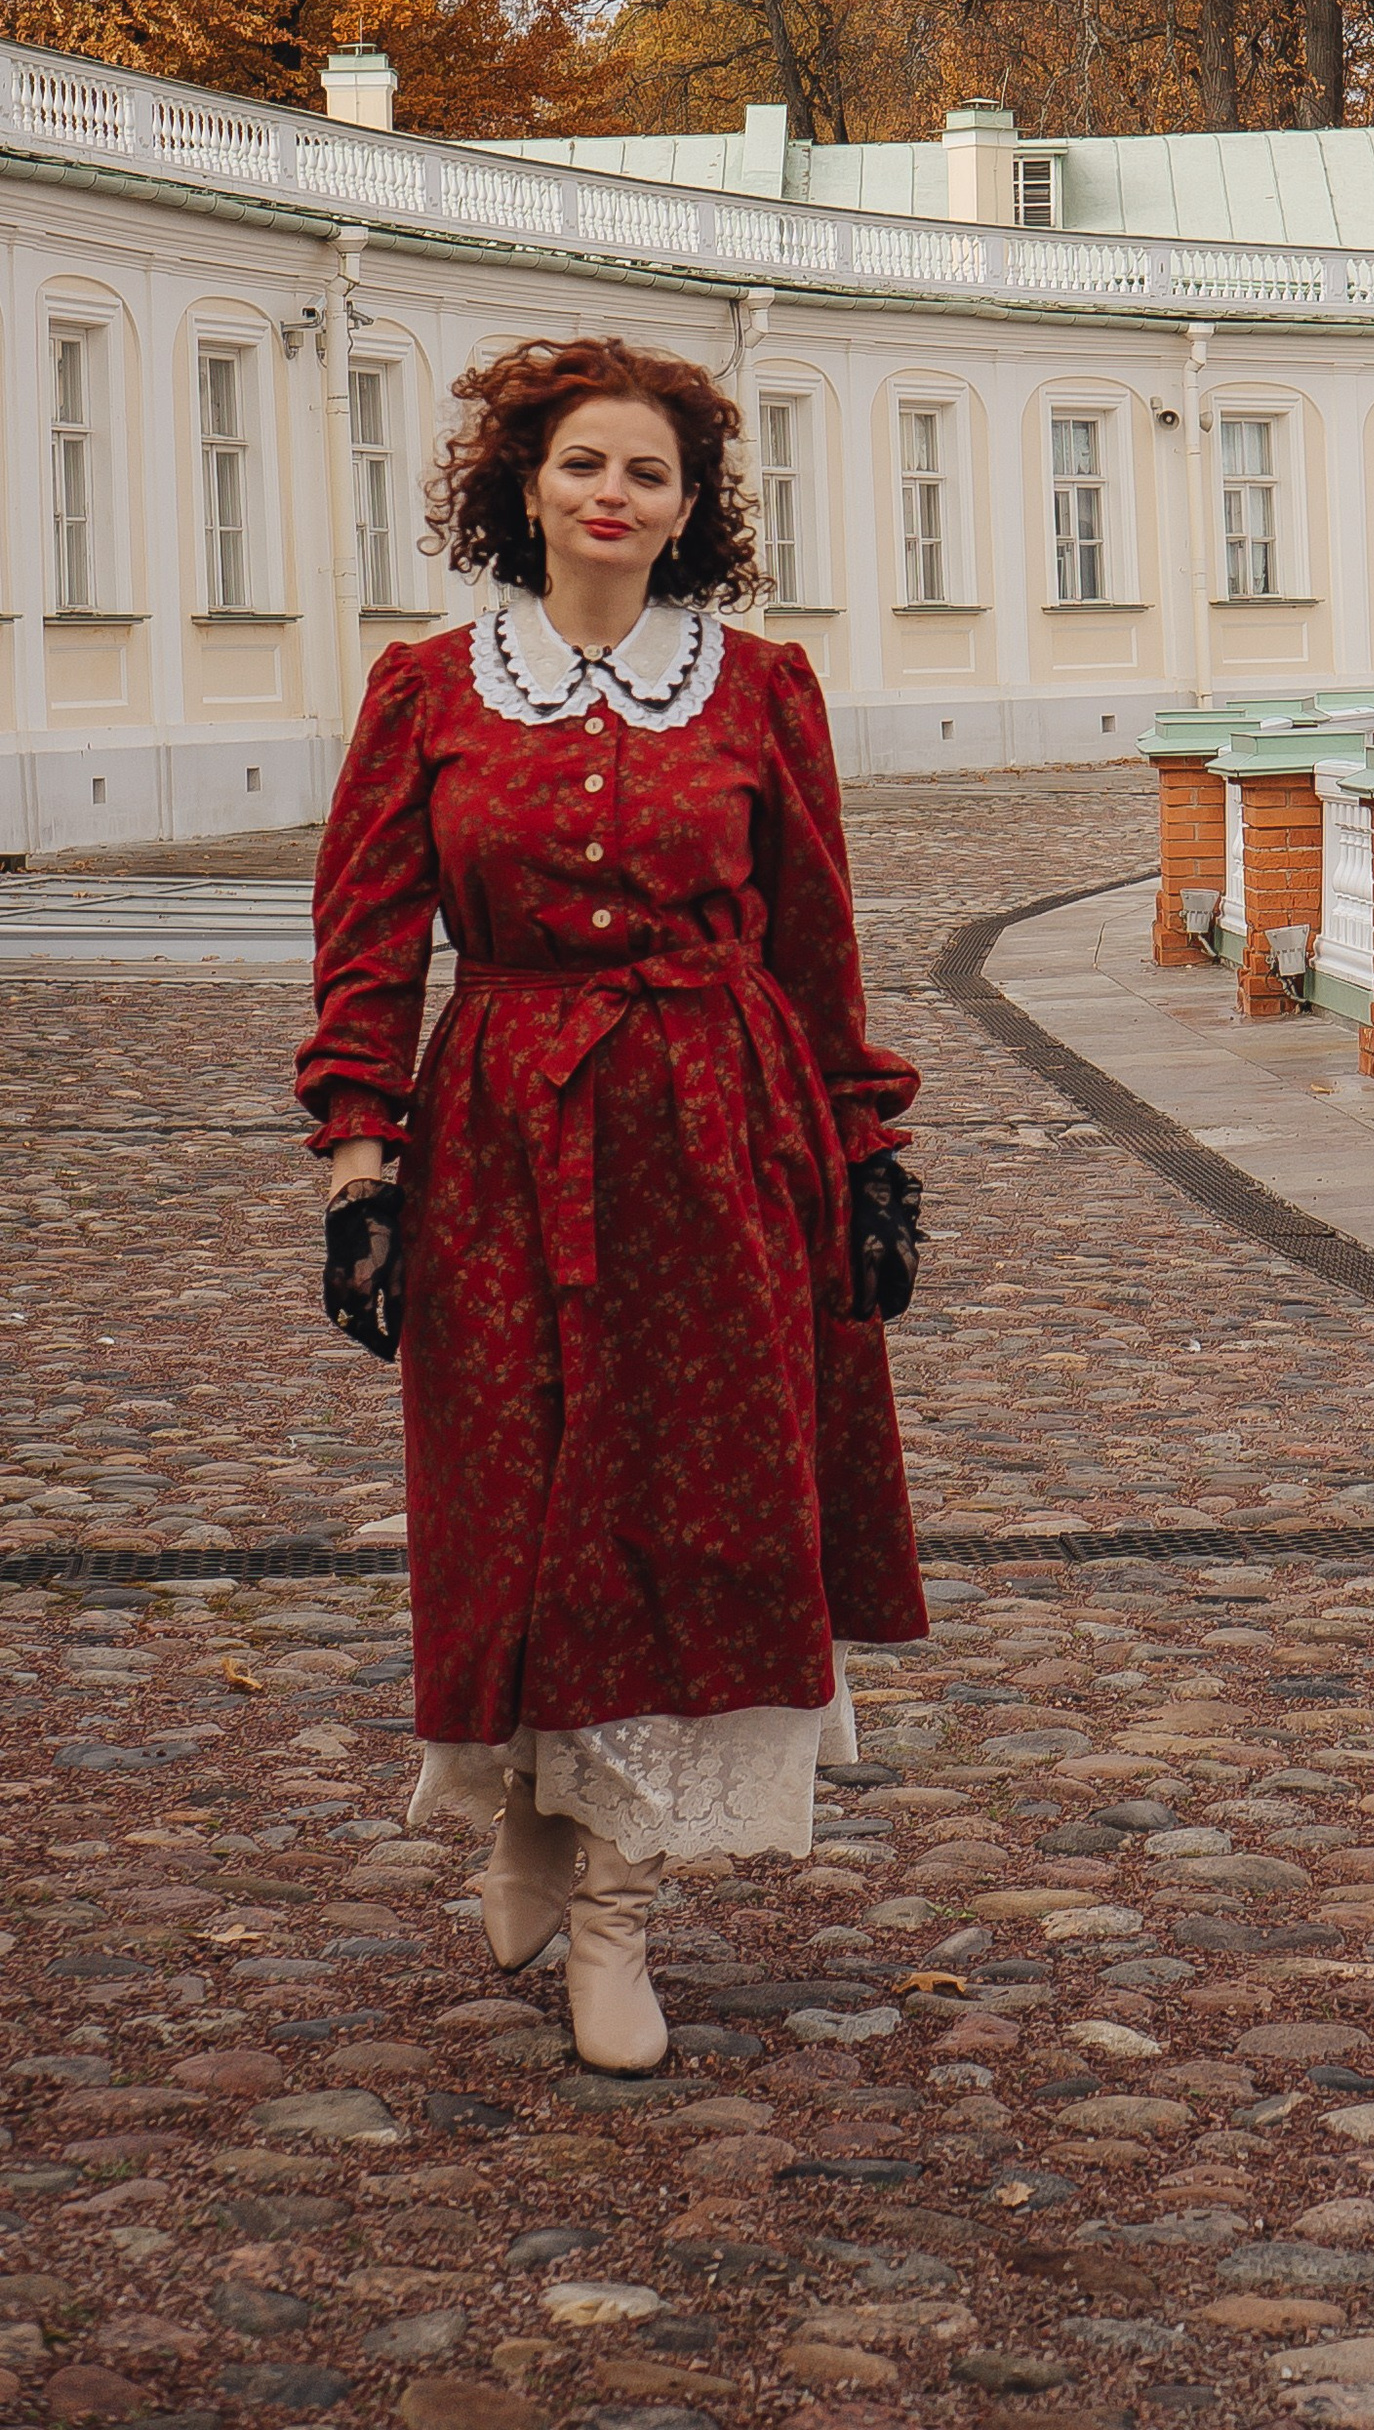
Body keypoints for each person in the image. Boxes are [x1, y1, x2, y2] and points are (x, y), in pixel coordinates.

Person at [296, 334, 927, 2073]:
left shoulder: (758, 690)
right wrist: (362, 1162)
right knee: (515, 1496)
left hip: (719, 1140)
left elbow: (817, 935)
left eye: (650, 472)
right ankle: (527, 1805)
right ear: (522, 487)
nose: (614, 494)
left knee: (689, 1514)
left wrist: (867, 1151)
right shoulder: (428, 688)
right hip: (498, 1134)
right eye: (584, 463)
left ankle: (617, 1915)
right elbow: (367, 941)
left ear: (688, 509)